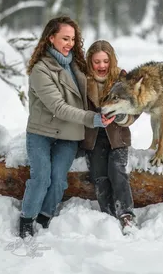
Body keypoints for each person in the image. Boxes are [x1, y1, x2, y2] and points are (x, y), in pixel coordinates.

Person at [19, 17, 114, 238]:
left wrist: (118, 77)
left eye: (72, 38)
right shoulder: (40, 70)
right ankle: (26, 219)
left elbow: (100, 77)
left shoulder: (76, 64)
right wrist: (93, 119)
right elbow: (58, 107)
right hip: (41, 133)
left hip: (69, 134)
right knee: (42, 177)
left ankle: (44, 217)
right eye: (65, 38)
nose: (69, 43)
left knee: (59, 179)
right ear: (51, 38)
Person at [81, 40, 138, 233]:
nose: (101, 66)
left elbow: (135, 108)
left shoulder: (122, 79)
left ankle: (126, 214)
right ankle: (108, 215)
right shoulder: (83, 81)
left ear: (111, 60)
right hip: (93, 137)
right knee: (99, 175)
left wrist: (121, 116)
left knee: (117, 169)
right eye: (97, 61)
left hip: (117, 135)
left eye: (105, 61)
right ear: (90, 62)